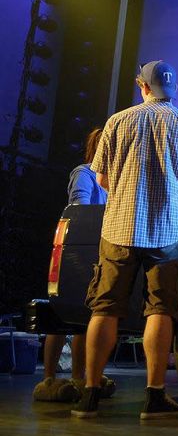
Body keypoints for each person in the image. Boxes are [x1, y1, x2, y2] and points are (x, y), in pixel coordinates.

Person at [71, 61, 178, 420]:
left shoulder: (117, 121)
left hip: (119, 229)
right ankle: (154, 396)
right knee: (161, 310)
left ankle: (89, 393)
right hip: (168, 232)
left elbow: (101, 179)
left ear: (142, 86)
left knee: (104, 308)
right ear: (173, 87)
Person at [33, 128, 115, 404]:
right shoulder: (85, 172)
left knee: (87, 314)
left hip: (98, 250)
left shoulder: (113, 180)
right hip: (75, 251)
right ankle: (49, 377)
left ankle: (81, 376)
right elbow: (78, 206)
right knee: (63, 316)